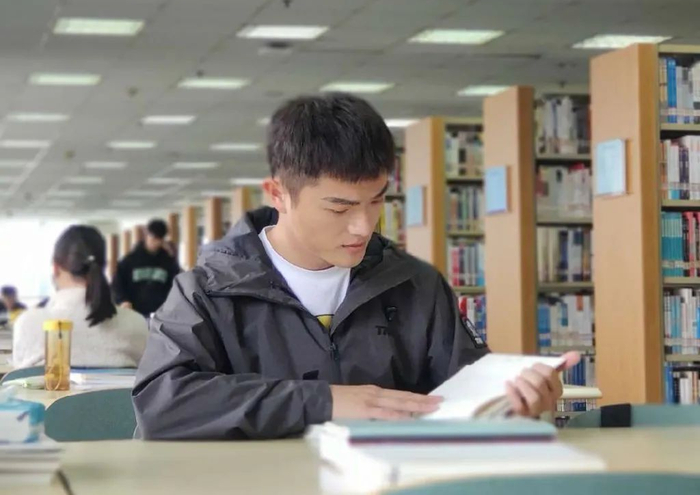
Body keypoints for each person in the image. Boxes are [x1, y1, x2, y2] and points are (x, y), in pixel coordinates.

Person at [133, 94, 578, 440]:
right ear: (278, 194)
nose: (364, 226)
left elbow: (464, 395)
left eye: (377, 200)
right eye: (340, 207)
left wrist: (511, 403)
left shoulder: (416, 285)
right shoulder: (206, 292)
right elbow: (162, 406)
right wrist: (322, 402)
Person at [12, 225, 148, 369]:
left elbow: (19, 378)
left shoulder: (29, 323)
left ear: (56, 268)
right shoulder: (137, 324)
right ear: (105, 267)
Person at [112, 219, 180, 318]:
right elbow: (117, 284)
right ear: (146, 235)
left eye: (159, 240)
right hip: (134, 312)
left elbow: (175, 285)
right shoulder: (130, 260)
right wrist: (123, 300)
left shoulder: (168, 262)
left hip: (160, 314)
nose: (155, 243)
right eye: (153, 238)